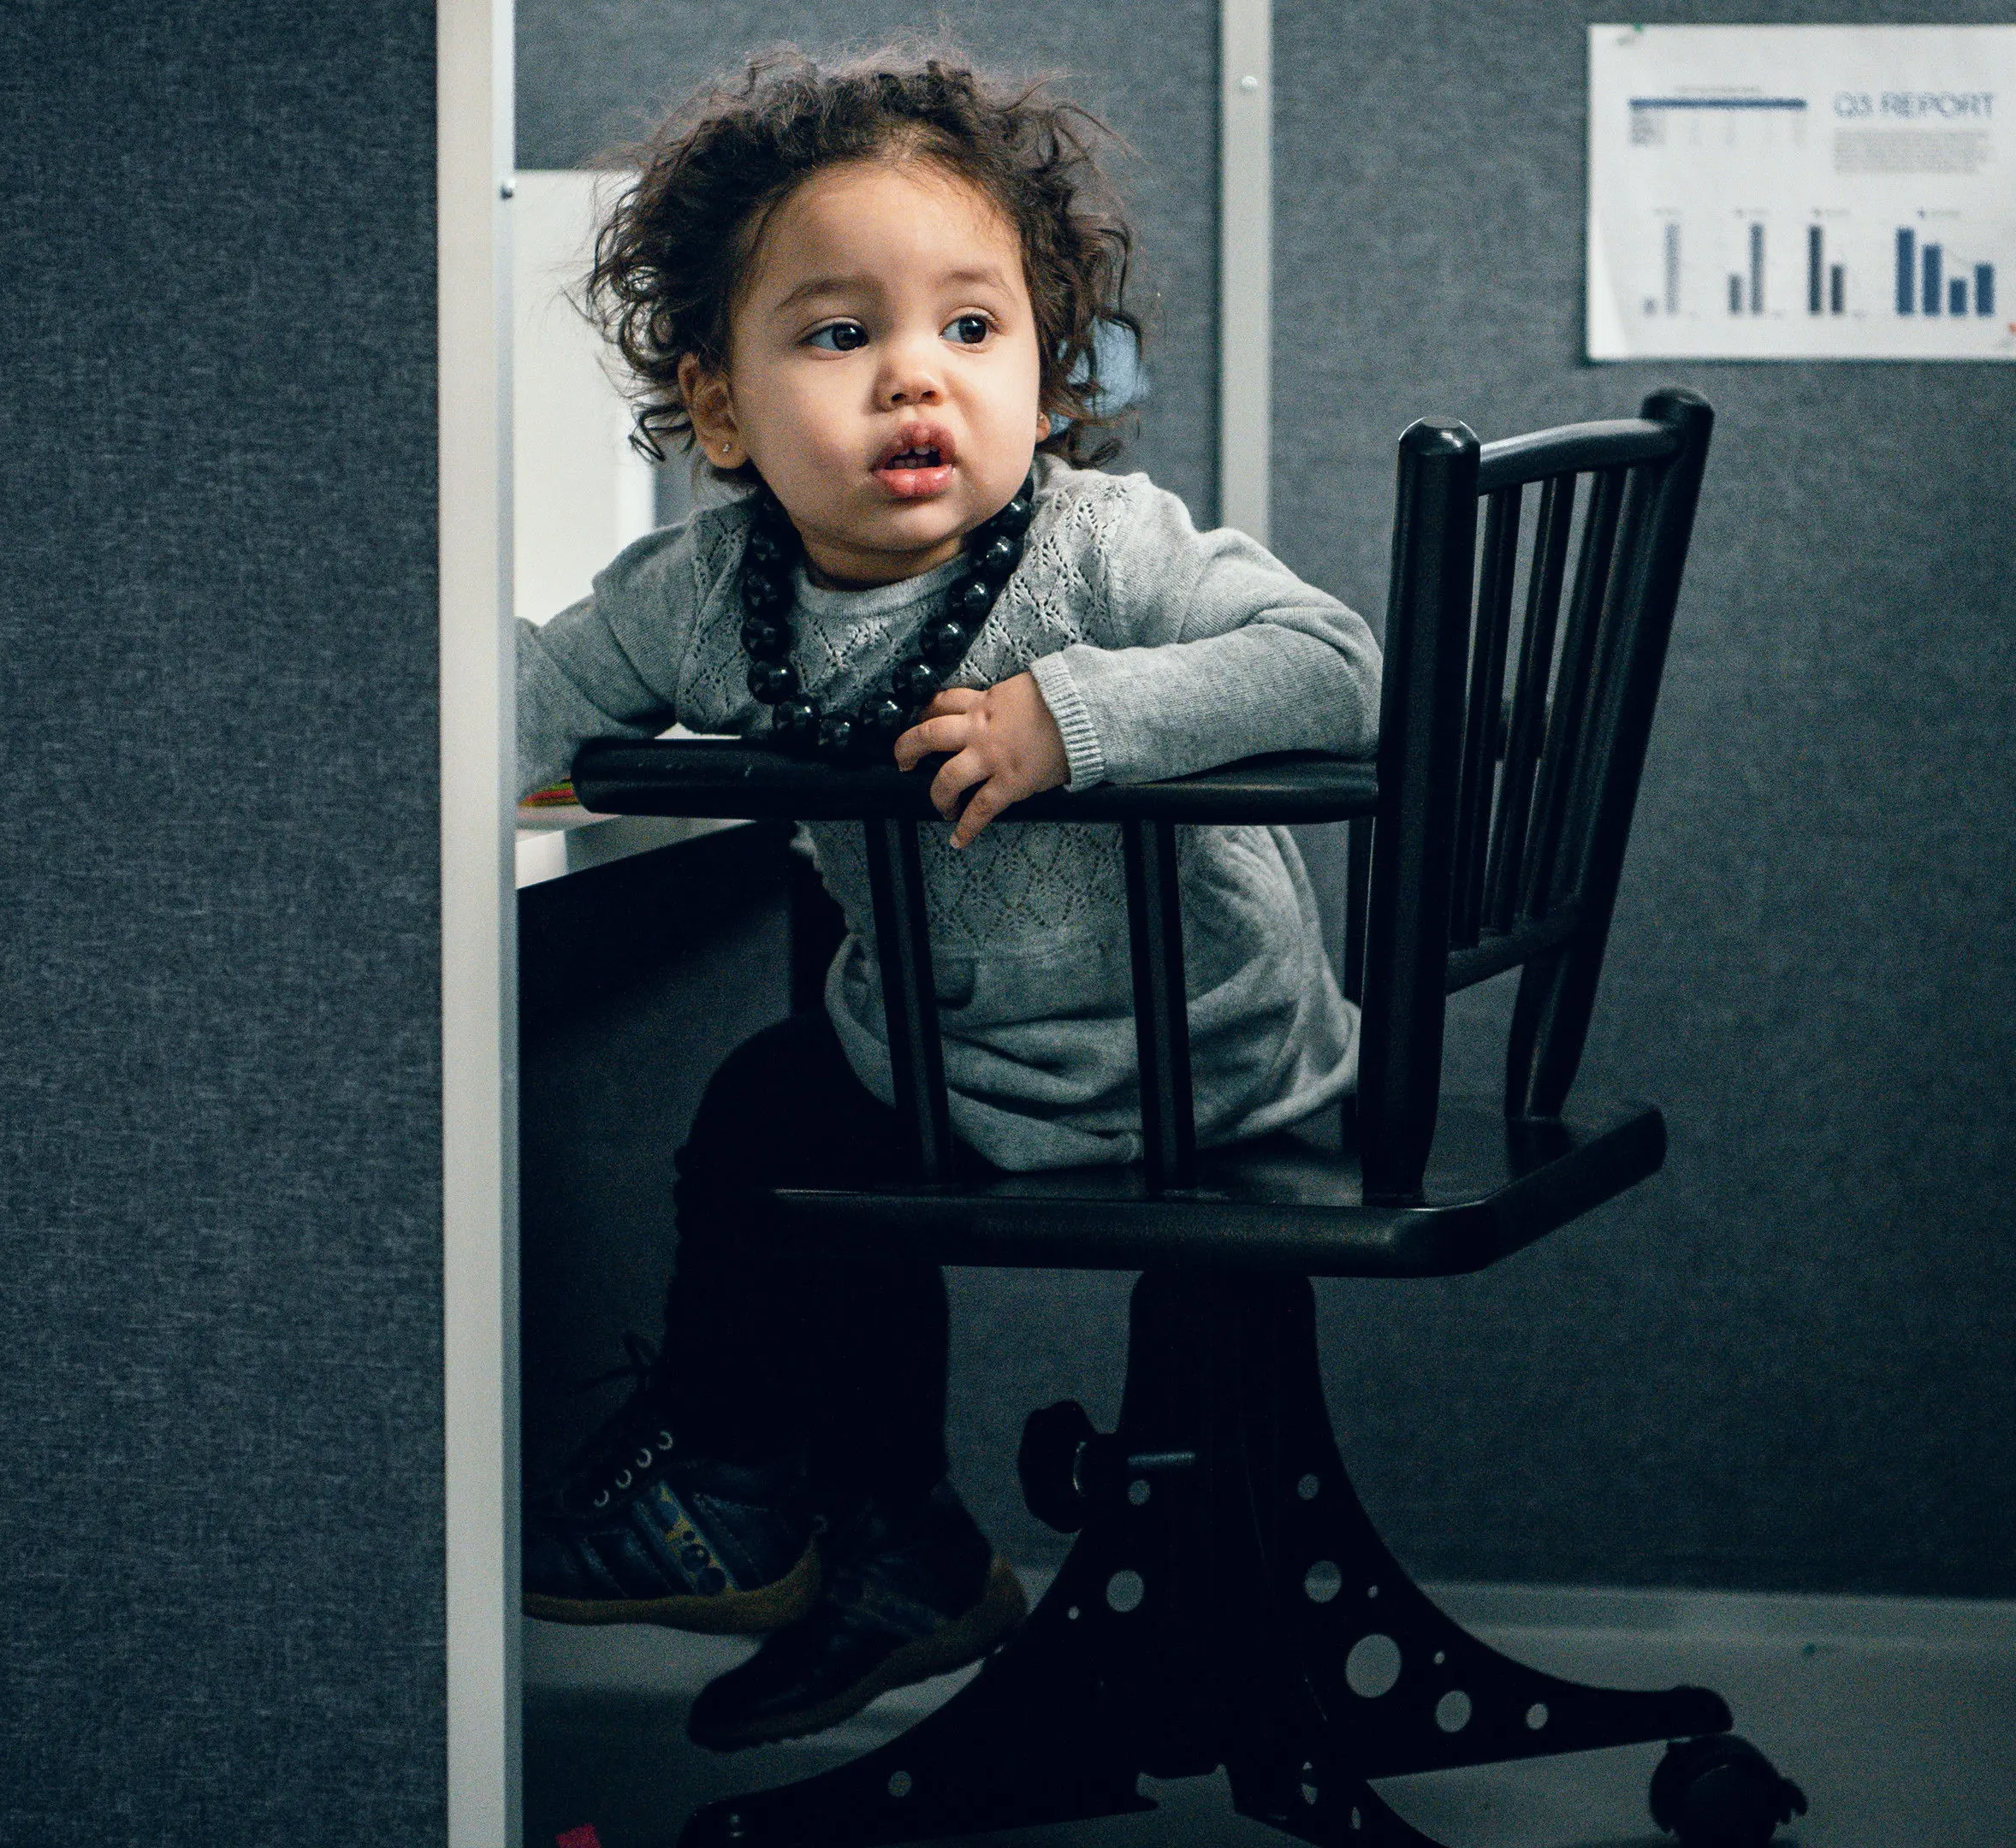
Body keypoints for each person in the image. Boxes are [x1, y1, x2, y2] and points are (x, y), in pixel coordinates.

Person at [515, 45, 1378, 1751]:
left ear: (1047, 374)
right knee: (780, 1102)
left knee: (800, 1100)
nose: (918, 379)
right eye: (841, 336)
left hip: (1198, 1063)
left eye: (972, 330)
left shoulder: (1103, 550)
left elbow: (1336, 664)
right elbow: (537, 688)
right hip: (954, 1059)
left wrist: (1086, 717)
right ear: (717, 404)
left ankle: (770, 1484)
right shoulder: (710, 592)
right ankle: (832, 1513)